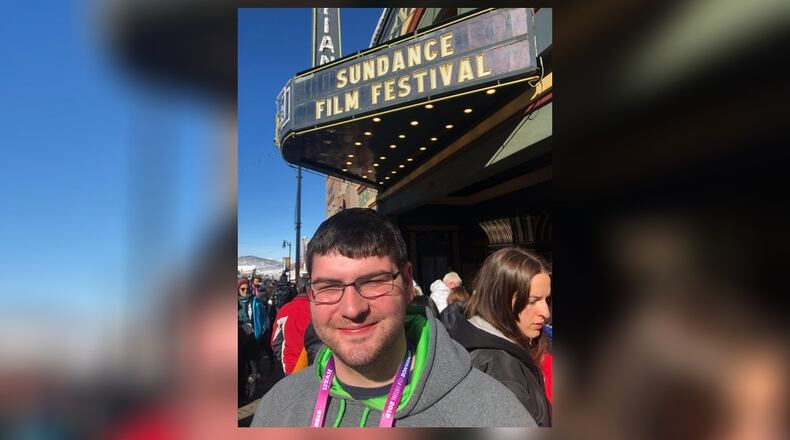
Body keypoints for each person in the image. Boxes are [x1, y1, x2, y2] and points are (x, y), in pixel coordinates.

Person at [251, 208, 535, 427]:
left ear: (408, 283)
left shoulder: (494, 414)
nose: (352, 309)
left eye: (374, 281)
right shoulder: (278, 408)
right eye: (329, 286)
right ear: (311, 293)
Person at [442, 247, 552, 426]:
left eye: (547, 300)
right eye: (533, 301)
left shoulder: (502, 349)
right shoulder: (498, 367)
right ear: (501, 300)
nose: (545, 312)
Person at [271, 276, 312, 375]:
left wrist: (283, 358)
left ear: (297, 289)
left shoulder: (285, 310)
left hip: (291, 366)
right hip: (316, 366)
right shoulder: (319, 309)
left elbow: (275, 341)